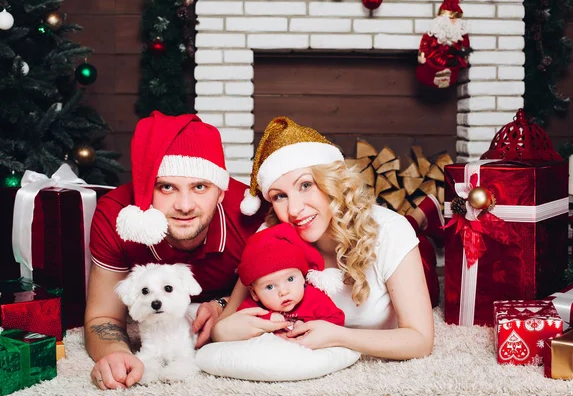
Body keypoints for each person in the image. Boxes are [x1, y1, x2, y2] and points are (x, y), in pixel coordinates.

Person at [84, 111, 289, 390]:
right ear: (146, 190)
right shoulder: (116, 215)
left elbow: (286, 293)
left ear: (220, 192)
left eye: (200, 187)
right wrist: (114, 353)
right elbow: (103, 316)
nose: (184, 205)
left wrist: (223, 306)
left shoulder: (252, 217)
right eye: (167, 187)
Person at [212, 116, 438, 361]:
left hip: (415, 260)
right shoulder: (271, 234)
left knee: (417, 242)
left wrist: (337, 336)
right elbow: (224, 325)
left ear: (332, 182)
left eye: (306, 185)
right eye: (279, 196)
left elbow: (420, 340)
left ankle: (420, 217)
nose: (295, 210)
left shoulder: (392, 231)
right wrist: (225, 326)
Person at [236, 222, 345, 328]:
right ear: (254, 293)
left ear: (303, 277)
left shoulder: (315, 299)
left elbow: (337, 318)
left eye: (290, 279)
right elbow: (240, 322)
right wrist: (267, 317)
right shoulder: (254, 307)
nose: (283, 292)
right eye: (270, 287)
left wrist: (310, 326)